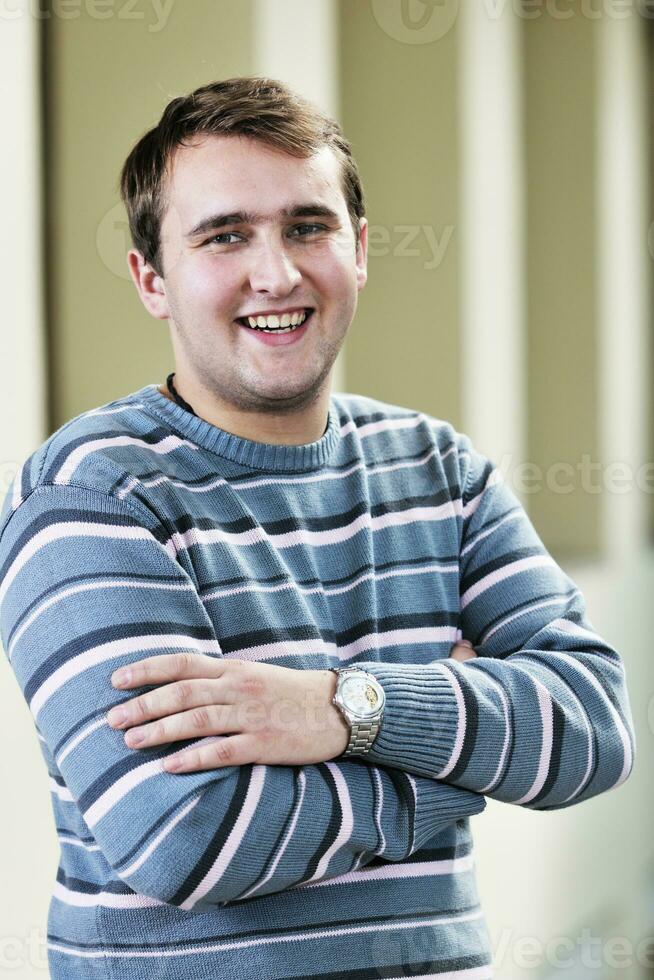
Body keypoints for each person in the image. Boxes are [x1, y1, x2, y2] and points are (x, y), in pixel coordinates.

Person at [0, 76, 636, 980]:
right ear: (152, 277)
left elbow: (594, 730)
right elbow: (187, 839)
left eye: (308, 226)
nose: (278, 273)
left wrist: (339, 708)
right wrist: (459, 759)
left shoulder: (438, 469)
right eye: (225, 236)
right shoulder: (92, 493)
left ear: (361, 247)